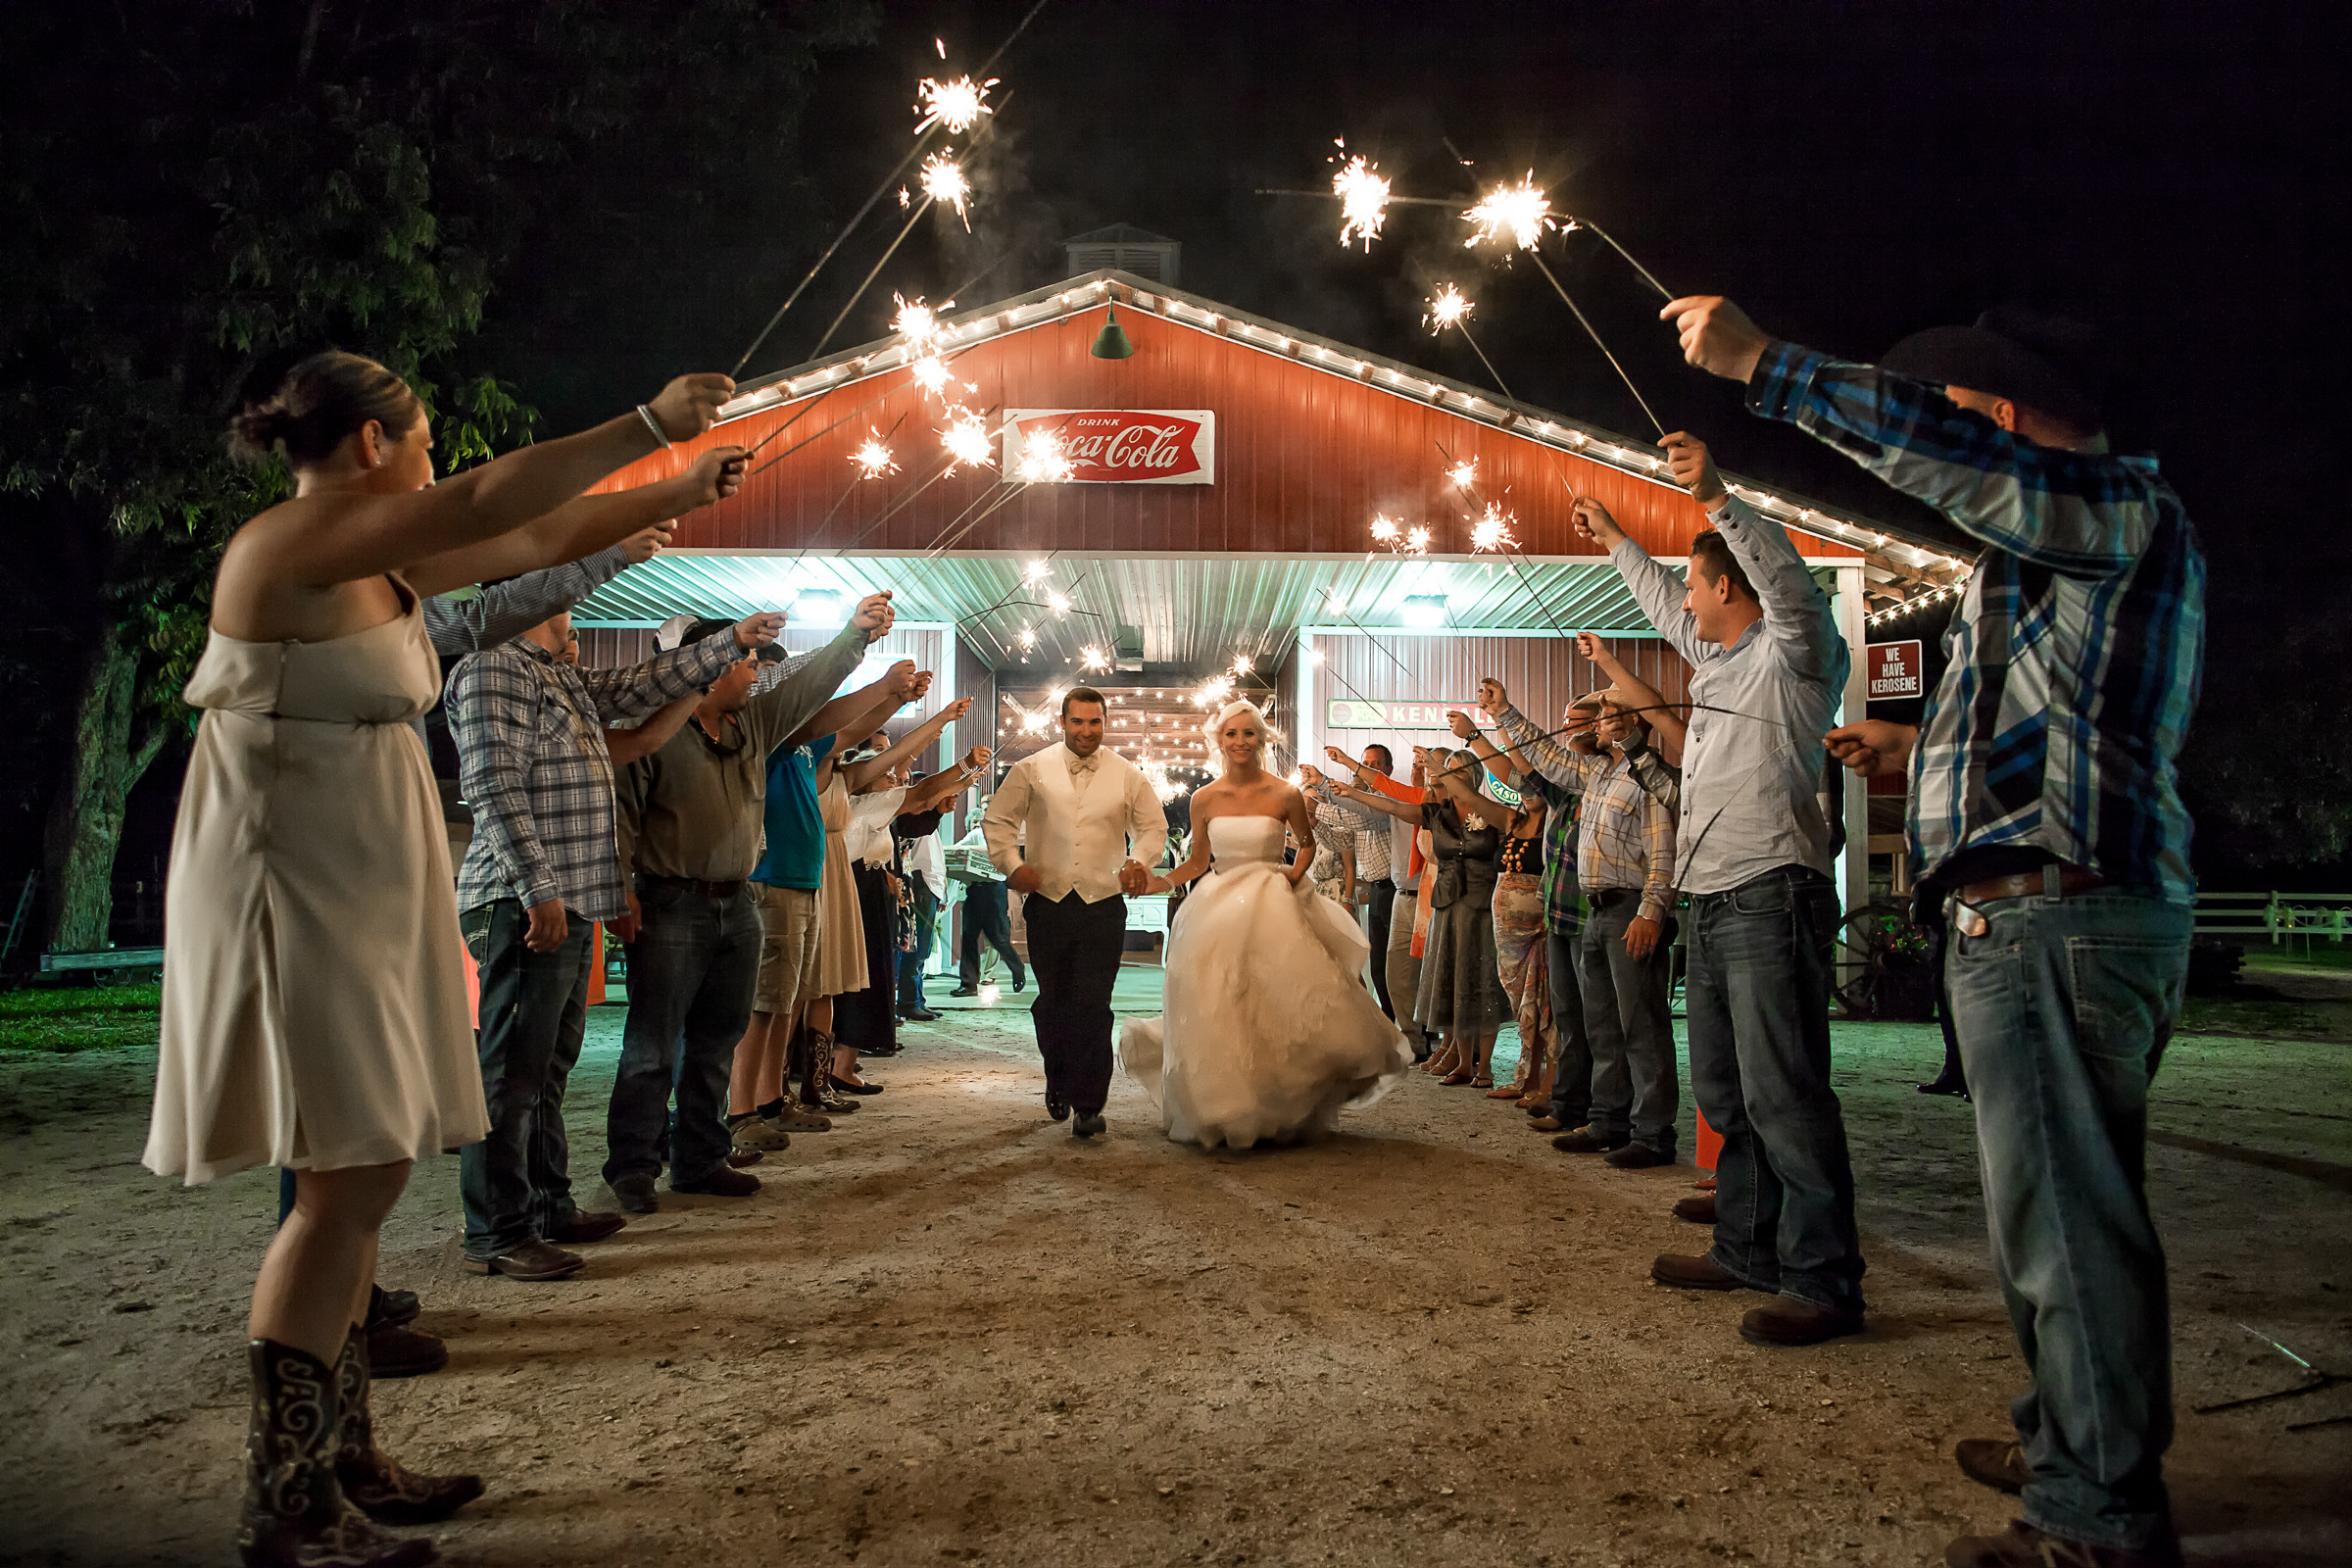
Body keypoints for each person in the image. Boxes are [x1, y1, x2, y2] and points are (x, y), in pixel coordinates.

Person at [145, 349, 745, 1564]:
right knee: (342, 1173)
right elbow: (488, 504)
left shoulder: (384, 563)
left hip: (355, 871)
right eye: (423, 440)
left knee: (363, 1173)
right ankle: (289, 1505)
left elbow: (535, 532)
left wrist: (666, 493)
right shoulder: (289, 545)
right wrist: (643, 421)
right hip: (289, 878)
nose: (437, 462)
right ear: (373, 445)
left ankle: (340, 1454)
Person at [1669, 294, 2202, 1566]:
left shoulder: (2111, 508)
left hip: (2052, 910)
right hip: (2052, 907)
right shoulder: (2075, 554)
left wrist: (1766, 368)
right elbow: (2071, 717)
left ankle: (2102, 1514)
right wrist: (1921, 743)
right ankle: (2075, 1445)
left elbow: (1970, 464)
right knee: (2057, 1213)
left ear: (2005, 419)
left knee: (2065, 1222)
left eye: (1955, 418)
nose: (1943, 450)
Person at [1576, 428, 1865, 1350]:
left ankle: (1822, 1281)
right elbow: (1664, 601)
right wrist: (1618, 538)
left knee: (1785, 1093)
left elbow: (1788, 587)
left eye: (1697, 583)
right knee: (1730, 1092)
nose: (1685, 600)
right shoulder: (1717, 664)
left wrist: (1719, 500)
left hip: (1772, 889)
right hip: (1714, 897)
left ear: (1729, 584)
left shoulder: (1793, 656)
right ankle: (1747, 1250)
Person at [445, 607, 773, 1281]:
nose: (577, 611)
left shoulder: (560, 683)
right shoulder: (491, 668)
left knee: (548, 1067)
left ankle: (547, 1204)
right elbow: (493, 784)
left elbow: (641, 703)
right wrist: (539, 888)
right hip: (520, 898)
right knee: (511, 1075)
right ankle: (497, 1231)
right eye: (566, 595)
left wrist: (728, 649)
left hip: (563, 897)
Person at [603, 593, 899, 1215]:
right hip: (670, 900)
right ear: (710, 666)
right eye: (748, 664)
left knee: (716, 1037)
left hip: (735, 903)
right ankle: (632, 1165)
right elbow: (623, 818)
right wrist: (619, 892)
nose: (758, 674)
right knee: (652, 1043)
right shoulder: (655, 734)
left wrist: (855, 636)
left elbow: (811, 693)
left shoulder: (752, 726)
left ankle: (699, 1157)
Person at [1123, 701, 1409, 1147]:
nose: (1240, 742)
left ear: (1262, 739)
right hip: (1216, 905)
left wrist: (1293, 877)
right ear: (1219, 741)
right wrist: (1160, 881)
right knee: (1220, 998)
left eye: (1249, 734)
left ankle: (1279, 1099)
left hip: (1272, 900)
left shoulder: (1285, 793)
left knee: (1278, 998)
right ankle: (1225, 1102)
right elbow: (1199, 860)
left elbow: (1308, 845)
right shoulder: (1205, 797)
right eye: (1232, 734)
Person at [725, 660, 927, 1152]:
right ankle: (741, 1108)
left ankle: (771, 1097)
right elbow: (831, 721)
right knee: (763, 1002)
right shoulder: (769, 736)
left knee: (784, 1000)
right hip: (772, 876)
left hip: (802, 878)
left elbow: (844, 730)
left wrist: (896, 700)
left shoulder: (798, 745)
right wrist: (880, 684)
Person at [1475, 691, 1681, 1167]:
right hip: (1594, 909)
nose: (1598, 725)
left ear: (1630, 724)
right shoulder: (1599, 773)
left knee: (1641, 1027)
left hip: (1629, 908)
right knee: (1602, 1025)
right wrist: (1504, 711)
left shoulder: (1647, 778)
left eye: (1608, 718)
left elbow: (1663, 852)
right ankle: (1607, 1120)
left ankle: (1652, 1135)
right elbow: (1544, 756)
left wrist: (1652, 911)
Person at [981, 687, 1167, 1137]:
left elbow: (1153, 826)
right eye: (1078, 722)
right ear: (1062, 722)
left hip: (1103, 905)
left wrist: (1137, 861)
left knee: (1093, 1004)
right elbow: (998, 822)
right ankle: (1057, 1076)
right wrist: (1012, 865)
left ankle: (1089, 1103)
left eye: (1095, 722)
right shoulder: (1030, 769)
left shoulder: (1127, 774)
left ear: (1105, 724)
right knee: (1052, 1003)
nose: (1087, 731)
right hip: (1048, 903)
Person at [1327, 747, 1506, 1086]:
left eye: (1454, 771)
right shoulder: (1438, 812)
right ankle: (1463, 1061)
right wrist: (1351, 791)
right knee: (1451, 979)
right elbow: (1394, 805)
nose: (1444, 777)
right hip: (1446, 903)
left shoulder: (1491, 812)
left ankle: (1484, 1066)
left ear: (1471, 777)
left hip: (1481, 904)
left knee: (1480, 980)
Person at [948, 807, 1025, 996]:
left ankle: (1017, 969)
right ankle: (968, 984)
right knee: (969, 937)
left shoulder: (997, 836)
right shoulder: (977, 835)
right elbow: (957, 850)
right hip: (976, 889)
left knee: (997, 937)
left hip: (993, 889)